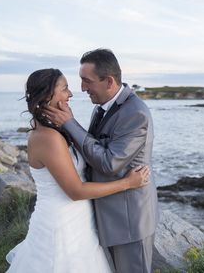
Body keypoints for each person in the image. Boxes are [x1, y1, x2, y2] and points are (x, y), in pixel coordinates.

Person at [6, 68, 150, 273]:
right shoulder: (48, 138)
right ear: (47, 96)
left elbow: (88, 150)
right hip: (62, 225)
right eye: (65, 88)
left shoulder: (56, 130)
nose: (71, 93)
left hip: (77, 222)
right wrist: (127, 183)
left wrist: (69, 123)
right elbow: (76, 191)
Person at [44, 49, 158, 273]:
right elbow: (92, 148)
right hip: (108, 216)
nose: (82, 88)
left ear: (109, 81)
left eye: (86, 81)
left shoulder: (135, 113)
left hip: (128, 221)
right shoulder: (103, 108)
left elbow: (109, 162)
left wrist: (70, 124)